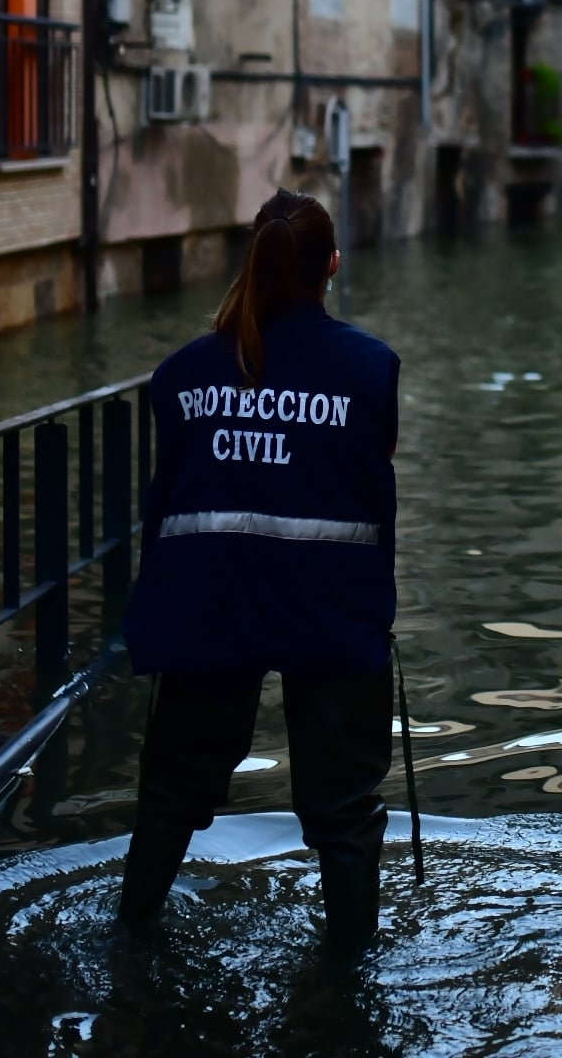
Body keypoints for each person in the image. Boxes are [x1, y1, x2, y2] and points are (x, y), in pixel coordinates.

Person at [117, 189, 402, 955]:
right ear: (331, 267)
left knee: (173, 793)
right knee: (343, 812)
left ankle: (129, 936)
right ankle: (350, 980)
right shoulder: (371, 368)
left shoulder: (180, 376)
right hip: (331, 612)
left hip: (210, 607)